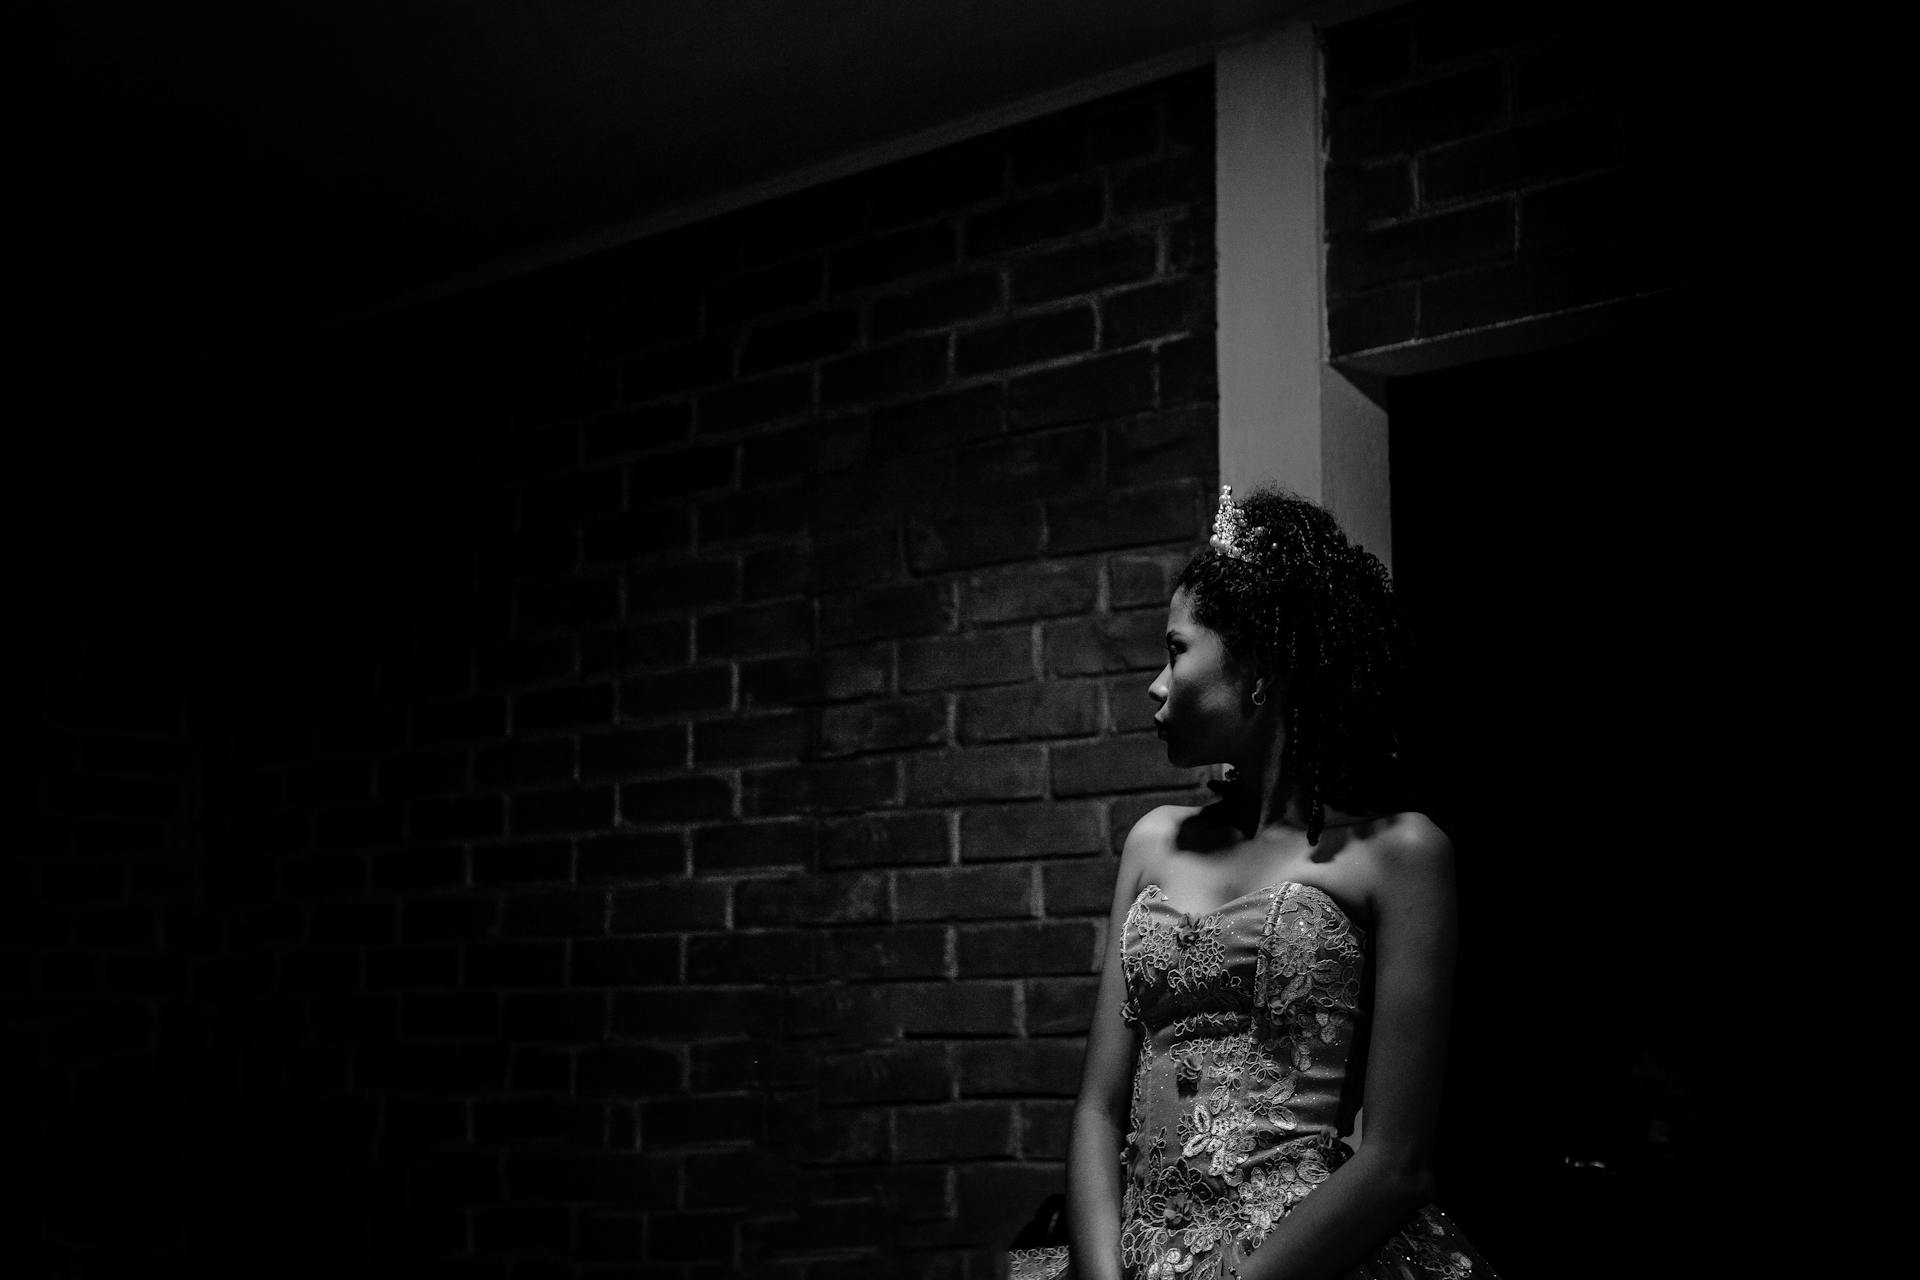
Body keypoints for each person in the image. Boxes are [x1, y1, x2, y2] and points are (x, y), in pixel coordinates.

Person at [1049, 484, 1498, 1280]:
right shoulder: (1154, 842)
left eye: (1176, 648)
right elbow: (1096, 1110)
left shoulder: (1402, 856)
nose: (1156, 684)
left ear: (1257, 660)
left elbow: (1398, 1161)